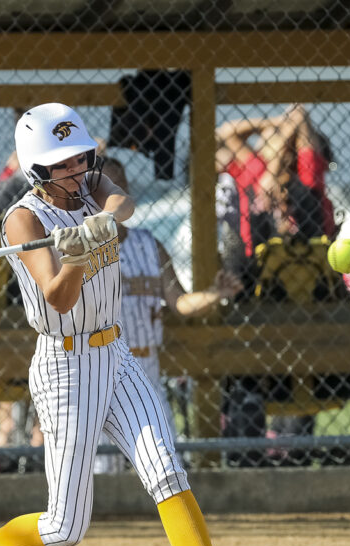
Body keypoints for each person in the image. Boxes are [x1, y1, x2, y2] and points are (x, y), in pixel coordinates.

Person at [0, 103, 260, 546]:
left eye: (80, 159)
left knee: (166, 470)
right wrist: (75, 256)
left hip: (116, 356)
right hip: (64, 366)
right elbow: (56, 299)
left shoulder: (90, 186)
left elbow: (122, 202)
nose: (77, 170)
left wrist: (101, 222)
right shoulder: (22, 221)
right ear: (36, 171)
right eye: (63, 164)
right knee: (63, 527)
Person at [94, 157, 242, 473]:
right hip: (103, 374)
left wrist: (215, 294)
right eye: (103, 187)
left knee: (166, 466)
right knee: (102, 474)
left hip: (146, 373)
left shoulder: (149, 245)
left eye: (119, 186)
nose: (114, 194)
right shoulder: (84, 252)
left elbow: (180, 302)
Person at [215, 104, 335, 258]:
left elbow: (299, 112)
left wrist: (273, 171)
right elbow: (227, 132)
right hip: (260, 269)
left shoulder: (306, 177)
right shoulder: (256, 170)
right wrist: (277, 122)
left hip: (307, 268)